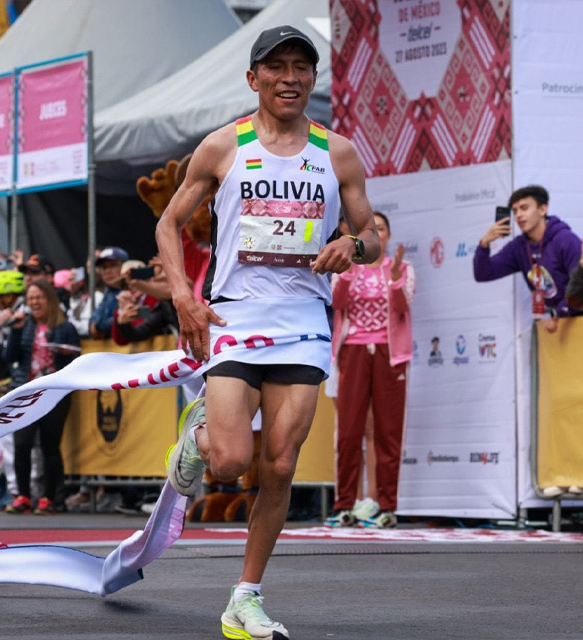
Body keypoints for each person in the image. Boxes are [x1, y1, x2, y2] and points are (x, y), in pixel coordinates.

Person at [155, 25, 381, 640]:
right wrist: (184, 295)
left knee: (280, 464)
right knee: (230, 463)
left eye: (301, 67)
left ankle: (244, 598)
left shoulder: (337, 153)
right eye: (276, 67)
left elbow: (377, 232)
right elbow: (170, 223)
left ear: (313, 78)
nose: (290, 77)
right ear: (253, 78)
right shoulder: (224, 146)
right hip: (236, 314)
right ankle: (200, 437)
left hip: (303, 321)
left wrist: (352, 243)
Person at [326, 211, 414, 529]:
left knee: (389, 432)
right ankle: (344, 505)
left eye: (381, 229)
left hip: (391, 356)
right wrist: (350, 269)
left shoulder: (402, 268)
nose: (376, 233)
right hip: (352, 352)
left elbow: (403, 307)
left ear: (387, 236)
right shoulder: (345, 266)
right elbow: (337, 302)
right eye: (370, 230)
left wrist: (393, 279)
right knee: (349, 431)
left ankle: (387, 505)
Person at [3, 279, 81, 515]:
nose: (34, 302)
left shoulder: (66, 327)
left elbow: (79, 360)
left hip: (54, 393)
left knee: (50, 446)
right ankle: (23, 496)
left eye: (39, 297)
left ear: (50, 300)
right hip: (26, 392)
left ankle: (51, 498)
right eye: (31, 298)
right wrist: (14, 331)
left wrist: (67, 354)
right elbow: (9, 357)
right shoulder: (24, 325)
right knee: (22, 444)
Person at [473, 185, 583, 319]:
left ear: (542, 210)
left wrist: (557, 314)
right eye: (515, 211)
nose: (518, 215)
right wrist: (484, 243)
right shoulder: (519, 246)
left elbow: (582, 288)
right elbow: (483, 274)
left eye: (524, 208)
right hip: (555, 321)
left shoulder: (566, 240)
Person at [89, 247, 130, 339]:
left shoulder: (136, 289)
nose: (107, 271)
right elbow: (92, 323)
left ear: (125, 266)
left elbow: (130, 319)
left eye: (113, 265)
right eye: (104, 267)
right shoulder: (108, 292)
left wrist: (99, 327)